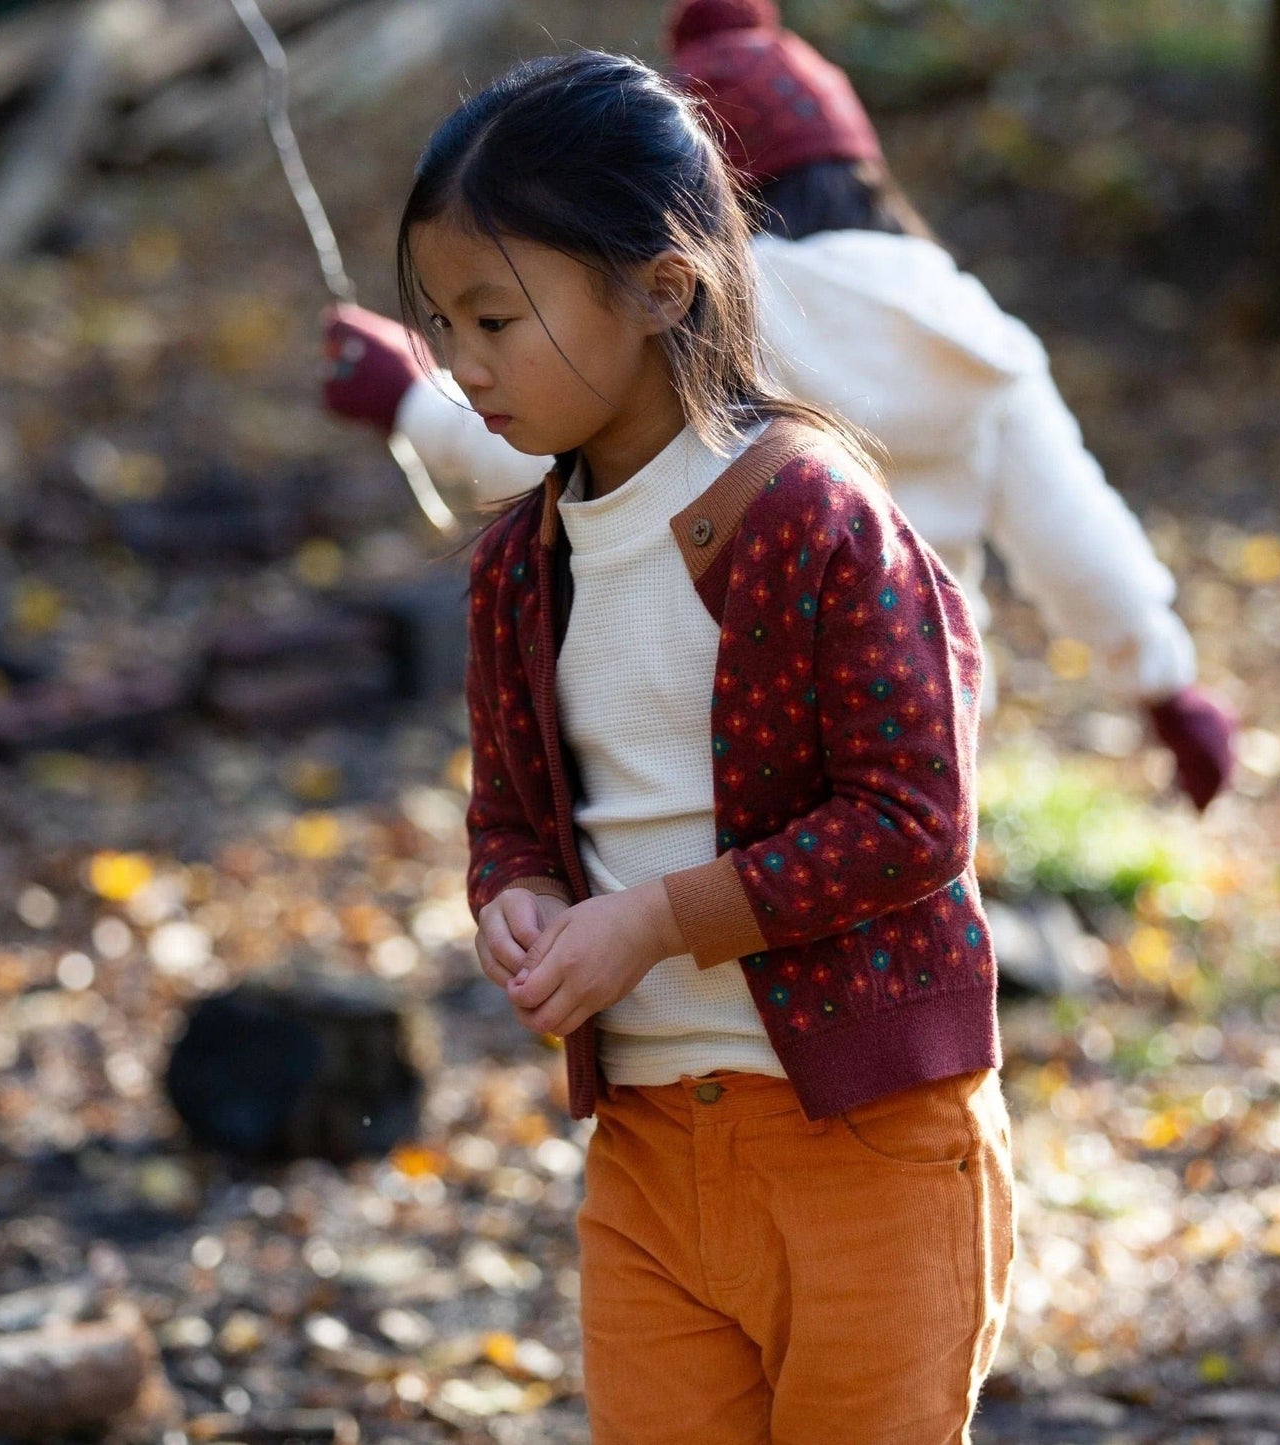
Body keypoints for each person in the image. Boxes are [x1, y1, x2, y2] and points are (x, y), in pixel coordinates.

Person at [400, 48, 1013, 1443]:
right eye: (442, 326)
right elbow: (509, 811)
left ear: (660, 287)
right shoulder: (518, 564)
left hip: (868, 1143)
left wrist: (658, 922)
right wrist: (521, 898)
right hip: (650, 1154)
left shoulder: (809, 517)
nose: (462, 366)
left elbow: (915, 819)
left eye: (496, 317)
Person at [324, 0, 1235, 812]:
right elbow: (1073, 533)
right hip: (919, 738)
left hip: (727, 742)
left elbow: (551, 438)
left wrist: (412, 399)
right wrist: (1163, 682)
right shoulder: (970, 328)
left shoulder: (715, 315)